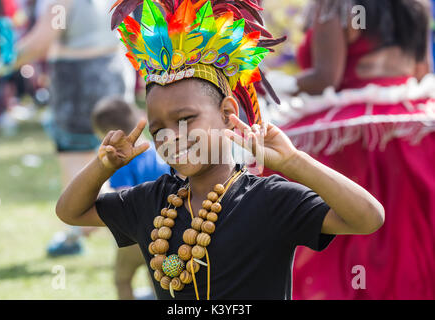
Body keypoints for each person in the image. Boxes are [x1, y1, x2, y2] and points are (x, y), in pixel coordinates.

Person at [54, 0, 384, 300]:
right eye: (158, 130)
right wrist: (103, 167)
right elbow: (71, 212)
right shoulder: (150, 201)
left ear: (228, 114)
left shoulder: (269, 199)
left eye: (186, 118)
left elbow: (368, 217)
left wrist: (295, 162)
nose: (173, 136)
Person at [265, 0, 435, 299]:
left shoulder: (336, 3)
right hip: (415, 131)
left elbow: (326, 78)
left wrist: (273, 84)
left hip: (353, 144)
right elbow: (422, 71)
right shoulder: (417, 4)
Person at [0, 0, 135, 256]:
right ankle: (122, 231)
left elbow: (40, 42)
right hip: (115, 75)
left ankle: (82, 233)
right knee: (109, 158)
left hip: (77, 83)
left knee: (77, 162)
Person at [92, 97, 170, 300]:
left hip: (136, 233)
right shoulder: (159, 151)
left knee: (122, 279)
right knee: (157, 280)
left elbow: (123, 198)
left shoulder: (122, 160)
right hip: (165, 230)